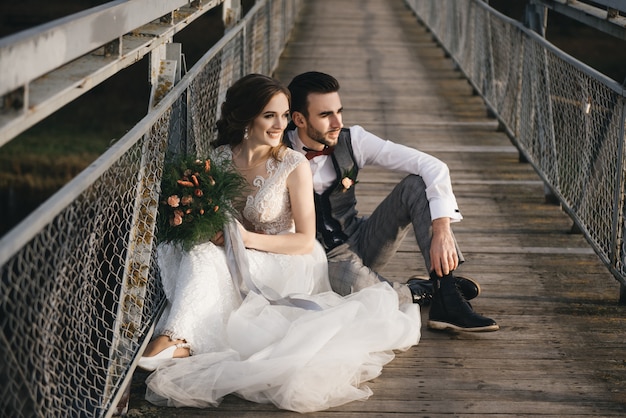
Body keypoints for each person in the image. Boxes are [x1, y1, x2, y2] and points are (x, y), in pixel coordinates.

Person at [137, 74, 421, 413]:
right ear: (247, 116)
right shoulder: (221, 159)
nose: (280, 124)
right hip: (237, 251)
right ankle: (182, 338)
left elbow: (304, 240)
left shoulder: (292, 164)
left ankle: (179, 339)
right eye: (270, 115)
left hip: (288, 258)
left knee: (208, 260)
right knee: (189, 249)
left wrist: (246, 239)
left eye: (285, 115)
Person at [284, 71, 499, 332]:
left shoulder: (353, 140)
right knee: (362, 290)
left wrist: (442, 229)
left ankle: (447, 297)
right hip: (320, 259)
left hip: (361, 238)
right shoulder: (277, 150)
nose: (337, 122)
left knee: (416, 185)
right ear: (299, 119)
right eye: (325, 115)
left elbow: (432, 165)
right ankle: (427, 291)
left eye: (339, 111)